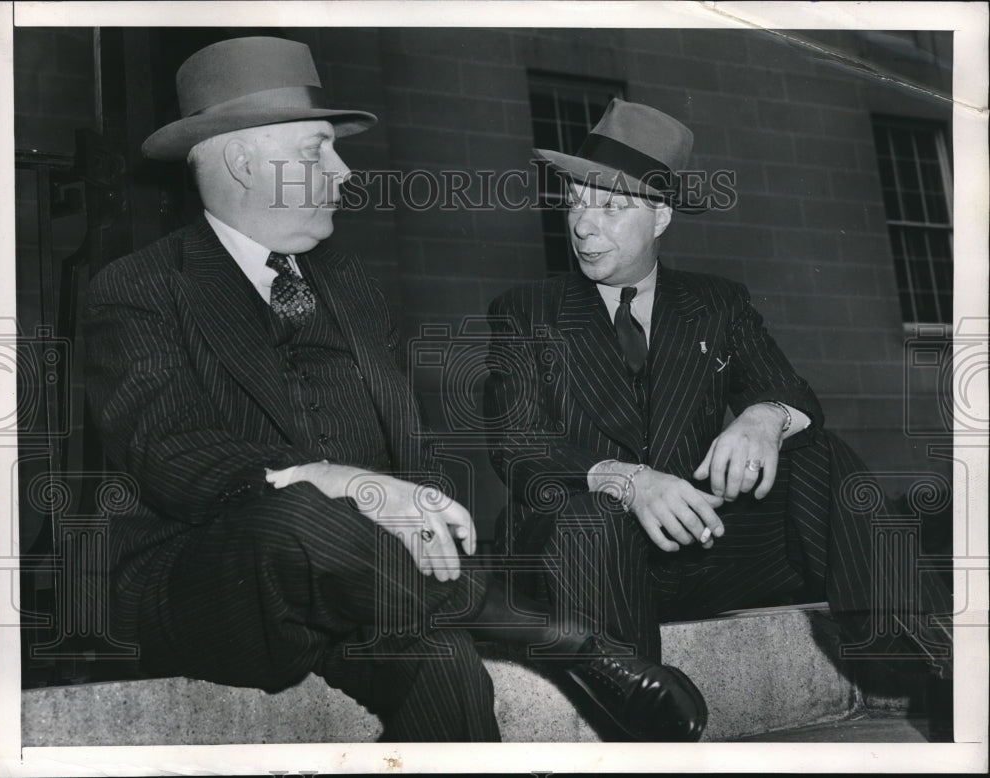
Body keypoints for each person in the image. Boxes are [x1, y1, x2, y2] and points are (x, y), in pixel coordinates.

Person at [84, 38, 707, 743]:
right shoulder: (138, 289)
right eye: (318, 149)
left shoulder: (349, 287)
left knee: (451, 674)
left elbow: (407, 451)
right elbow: (172, 456)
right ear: (242, 159)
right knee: (301, 514)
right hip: (213, 585)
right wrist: (342, 482)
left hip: (378, 591)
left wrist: (428, 504)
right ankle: (573, 646)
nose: (343, 173)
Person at [484, 99, 953, 733]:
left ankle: (940, 664)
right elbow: (516, 446)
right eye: (575, 204)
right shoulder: (526, 311)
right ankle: (647, 725)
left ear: (661, 217)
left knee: (819, 454)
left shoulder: (715, 303)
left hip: (701, 554)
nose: (584, 227)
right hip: (580, 557)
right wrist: (627, 480)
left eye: (611, 208)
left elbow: (797, 397)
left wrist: (763, 417)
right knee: (588, 518)